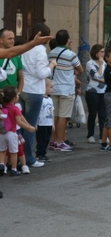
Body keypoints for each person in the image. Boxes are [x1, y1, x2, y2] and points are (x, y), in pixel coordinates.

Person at [0, 27, 53, 198]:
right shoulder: (9, 54)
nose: (12, 41)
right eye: (9, 38)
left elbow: (13, 54)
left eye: (14, 38)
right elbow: (11, 53)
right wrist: (34, 44)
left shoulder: (14, 55)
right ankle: (24, 160)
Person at [20, 23, 56, 167]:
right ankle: (28, 158)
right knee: (30, 126)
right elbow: (41, 73)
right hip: (34, 90)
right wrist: (51, 66)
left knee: (21, 125)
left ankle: (18, 157)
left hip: (23, 88)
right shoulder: (40, 50)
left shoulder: (27, 46)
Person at [48, 29, 83, 151]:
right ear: (68, 40)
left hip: (53, 88)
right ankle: (59, 141)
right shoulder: (71, 54)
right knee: (63, 116)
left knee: (55, 116)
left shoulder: (51, 53)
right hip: (66, 89)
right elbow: (80, 69)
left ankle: (52, 141)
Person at [0, 86, 36, 176]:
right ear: (14, 98)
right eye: (18, 95)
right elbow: (19, 122)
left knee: (2, 151)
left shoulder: (2, 108)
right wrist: (29, 127)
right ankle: (14, 169)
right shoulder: (15, 108)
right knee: (13, 152)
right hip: (12, 133)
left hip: (1, 133)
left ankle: (1, 165)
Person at [85, 44, 106, 144]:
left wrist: (103, 79)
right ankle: (90, 134)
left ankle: (103, 134)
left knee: (103, 114)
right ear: (96, 53)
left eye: (103, 51)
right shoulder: (90, 63)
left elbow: (105, 76)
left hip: (103, 91)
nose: (103, 53)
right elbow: (97, 76)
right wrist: (101, 65)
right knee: (92, 113)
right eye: (101, 51)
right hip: (92, 91)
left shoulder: (104, 63)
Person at [35, 78, 54, 162]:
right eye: (50, 87)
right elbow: (37, 112)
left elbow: (52, 111)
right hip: (41, 123)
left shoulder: (50, 99)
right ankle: (39, 153)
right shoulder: (40, 99)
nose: (51, 89)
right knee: (41, 139)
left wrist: (53, 123)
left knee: (47, 139)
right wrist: (36, 123)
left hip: (48, 122)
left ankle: (43, 153)